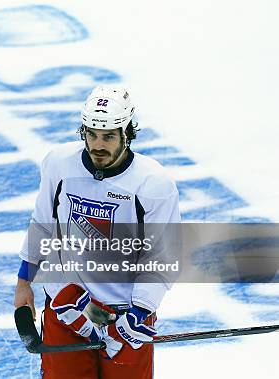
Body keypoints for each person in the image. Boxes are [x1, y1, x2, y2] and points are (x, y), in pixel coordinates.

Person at [14, 85, 181, 379]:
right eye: (91, 134)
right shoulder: (59, 164)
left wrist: (140, 312)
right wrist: (24, 281)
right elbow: (43, 222)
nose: (98, 145)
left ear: (127, 134)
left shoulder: (153, 184)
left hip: (125, 318)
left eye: (108, 136)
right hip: (67, 306)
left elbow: (161, 257)